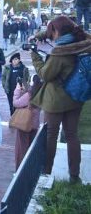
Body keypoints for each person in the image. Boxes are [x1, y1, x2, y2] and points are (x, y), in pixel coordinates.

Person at [29, 16, 91, 183]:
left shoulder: (60, 53)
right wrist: (43, 34)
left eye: (51, 32)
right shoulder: (82, 42)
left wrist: (35, 55)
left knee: (51, 135)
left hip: (56, 100)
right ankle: (74, 175)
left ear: (57, 32)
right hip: (76, 97)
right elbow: (61, 30)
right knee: (72, 135)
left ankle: (46, 172)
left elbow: (46, 74)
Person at [13, 75, 42, 170]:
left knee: (21, 149)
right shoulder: (41, 94)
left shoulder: (30, 95)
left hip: (24, 125)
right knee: (30, 149)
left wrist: (17, 90)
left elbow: (16, 103)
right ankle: (29, 169)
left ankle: (19, 170)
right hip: (34, 125)